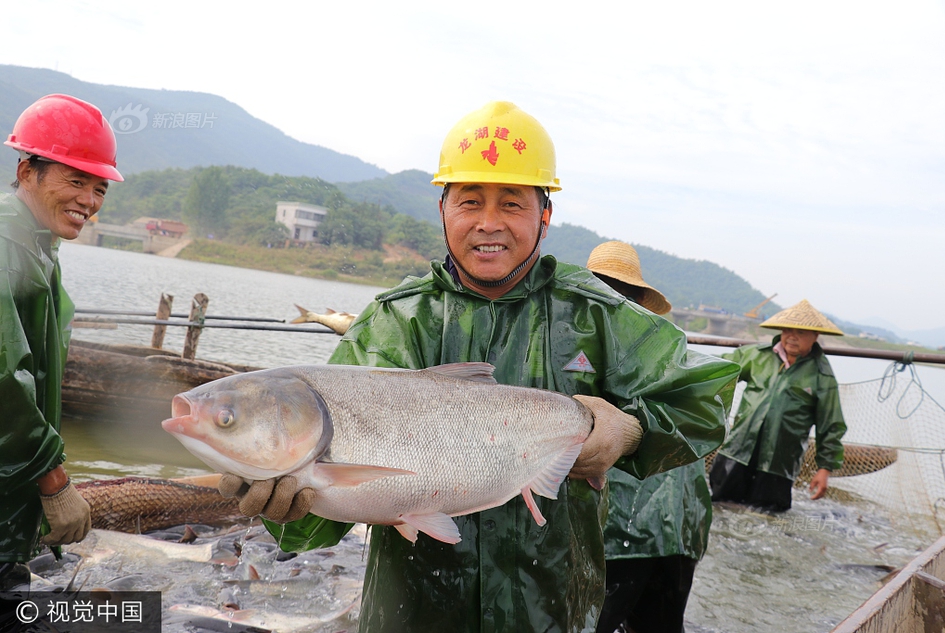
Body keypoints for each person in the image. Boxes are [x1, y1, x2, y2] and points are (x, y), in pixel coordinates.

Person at [220, 101, 739, 632]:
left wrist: (630, 431)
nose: (489, 223)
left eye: (512, 203)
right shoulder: (396, 320)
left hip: (549, 609)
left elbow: (705, 400)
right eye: (470, 201)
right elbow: (326, 504)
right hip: (413, 612)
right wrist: (288, 507)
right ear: (443, 209)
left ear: (545, 216)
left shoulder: (597, 315)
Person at [0, 94, 124, 590]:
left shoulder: (37, 244)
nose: (88, 201)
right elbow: (5, 377)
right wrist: (54, 480)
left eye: (99, 189)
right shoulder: (6, 245)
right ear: (27, 171)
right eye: (75, 181)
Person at [587, 240, 711, 633]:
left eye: (613, 291)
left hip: (629, 531)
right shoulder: (669, 343)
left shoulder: (591, 347)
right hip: (682, 527)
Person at [709, 299, 847, 512]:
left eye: (800, 332)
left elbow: (831, 424)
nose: (792, 336)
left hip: (778, 465)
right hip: (736, 452)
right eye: (787, 330)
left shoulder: (822, 375)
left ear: (815, 336)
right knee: (719, 507)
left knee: (768, 516)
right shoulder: (757, 355)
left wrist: (824, 469)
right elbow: (717, 370)